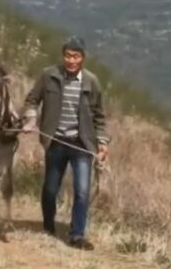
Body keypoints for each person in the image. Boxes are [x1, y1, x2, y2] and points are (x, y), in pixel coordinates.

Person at [21, 35, 110, 251]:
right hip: (55, 142)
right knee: (51, 190)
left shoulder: (91, 81)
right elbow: (32, 100)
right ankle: (48, 225)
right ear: (63, 56)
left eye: (76, 56)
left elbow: (99, 116)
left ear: (83, 58)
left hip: (82, 144)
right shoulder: (49, 75)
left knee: (81, 191)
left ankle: (77, 235)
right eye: (68, 55)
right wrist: (31, 120)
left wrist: (103, 142)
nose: (71, 60)